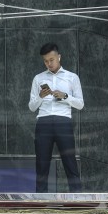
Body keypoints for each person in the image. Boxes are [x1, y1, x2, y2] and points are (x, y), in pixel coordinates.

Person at [28, 43, 83, 192]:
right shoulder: (38, 78)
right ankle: (41, 200)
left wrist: (65, 96)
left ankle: (78, 198)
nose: (49, 63)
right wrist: (40, 97)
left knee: (70, 162)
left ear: (59, 57)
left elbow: (80, 104)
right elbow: (32, 107)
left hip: (63, 121)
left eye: (51, 59)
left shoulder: (72, 77)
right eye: (45, 61)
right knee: (42, 163)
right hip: (44, 121)